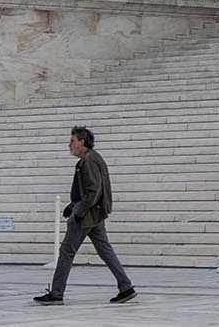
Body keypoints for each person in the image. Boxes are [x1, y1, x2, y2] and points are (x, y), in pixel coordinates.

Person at [36, 126, 135, 305]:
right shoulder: (92, 158)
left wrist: (79, 211)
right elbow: (88, 191)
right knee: (105, 250)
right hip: (95, 214)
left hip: (87, 215)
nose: (69, 145)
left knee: (66, 251)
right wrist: (72, 205)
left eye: (72, 141)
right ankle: (126, 286)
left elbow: (93, 191)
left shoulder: (89, 160)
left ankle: (56, 294)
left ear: (82, 142)